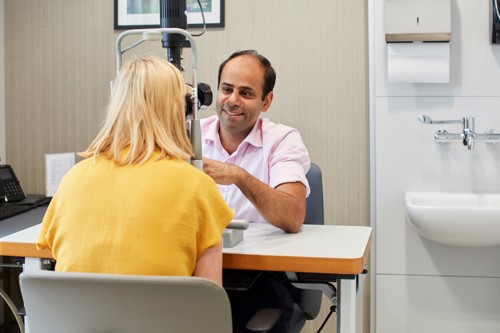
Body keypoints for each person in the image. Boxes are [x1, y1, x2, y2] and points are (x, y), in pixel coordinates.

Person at [36, 56, 234, 286]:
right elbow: (207, 302)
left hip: (80, 322)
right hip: (161, 322)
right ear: (177, 110)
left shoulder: (73, 179)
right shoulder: (197, 186)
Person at [201, 50, 310, 332]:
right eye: (227, 89)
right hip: (194, 270)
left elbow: (292, 216)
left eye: (246, 93)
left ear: (267, 101)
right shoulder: (189, 136)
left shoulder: (283, 140)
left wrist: (239, 176)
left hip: (260, 277)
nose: (232, 101)